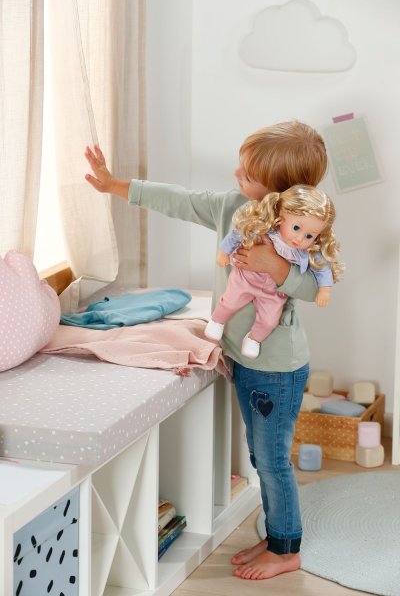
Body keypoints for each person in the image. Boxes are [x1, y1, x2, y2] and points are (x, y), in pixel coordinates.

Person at [84, 120, 329, 580]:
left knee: (272, 460)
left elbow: (315, 287)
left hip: (277, 370)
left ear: (278, 189)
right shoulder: (234, 208)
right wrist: (115, 185)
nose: (237, 174)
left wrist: (275, 266)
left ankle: (286, 549)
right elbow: (180, 200)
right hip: (245, 360)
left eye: (248, 173)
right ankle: (278, 535)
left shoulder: (301, 228)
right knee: (260, 458)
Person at [205, 184, 344, 359]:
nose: (300, 238)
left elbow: (322, 268)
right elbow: (238, 233)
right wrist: (223, 251)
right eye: (296, 228)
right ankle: (217, 320)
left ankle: (254, 339)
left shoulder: (307, 252)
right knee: (230, 301)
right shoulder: (266, 231)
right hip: (246, 278)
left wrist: (325, 289)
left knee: (270, 320)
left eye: (309, 236)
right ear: (281, 215)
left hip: (274, 291)